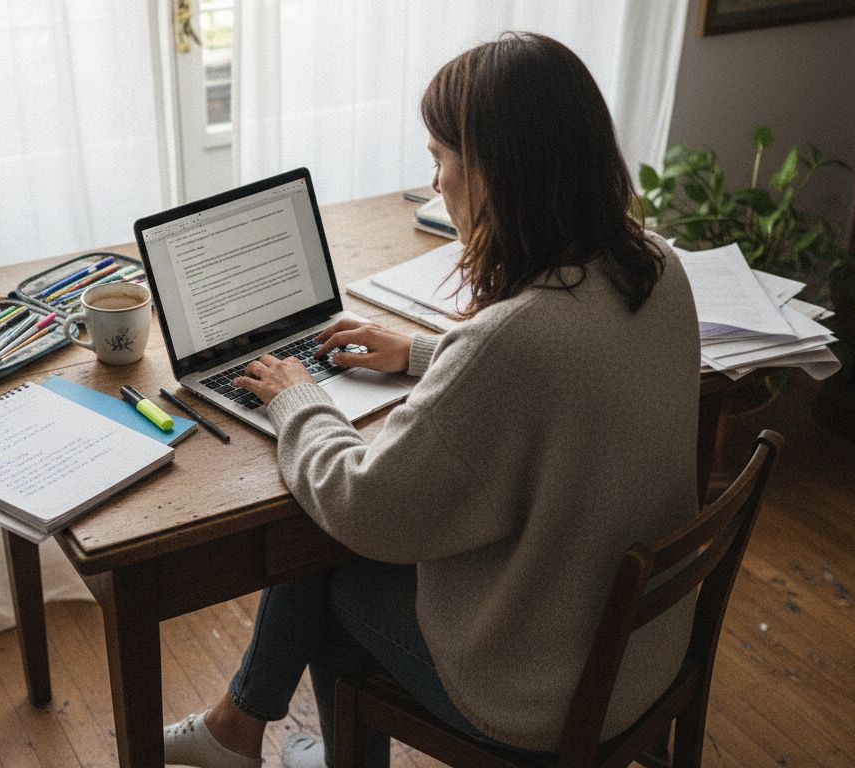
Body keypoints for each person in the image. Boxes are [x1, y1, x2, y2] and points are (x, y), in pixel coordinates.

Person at [161, 31, 701, 768]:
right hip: (642, 648)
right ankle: (235, 728)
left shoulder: (514, 341)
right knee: (331, 551)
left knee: (325, 563)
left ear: (496, 174)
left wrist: (297, 398)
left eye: (441, 157)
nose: (436, 181)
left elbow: (362, 504)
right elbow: (558, 378)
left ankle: (246, 732)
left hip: (542, 691)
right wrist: (422, 353)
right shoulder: (655, 266)